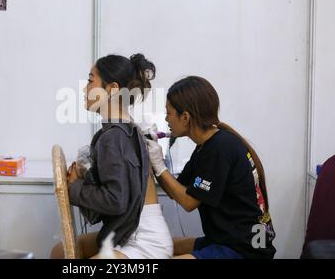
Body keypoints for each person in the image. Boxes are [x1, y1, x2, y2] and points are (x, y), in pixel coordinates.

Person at [50, 54, 173, 259]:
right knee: (59, 253)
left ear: (112, 88)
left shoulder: (114, 136)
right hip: (128, 232)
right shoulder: (119, 130)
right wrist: (85, 176)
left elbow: (116, 201)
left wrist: (74, 188)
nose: (84, 89)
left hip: (142, 241)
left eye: (90, 81)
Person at [146, 76, 276, 259]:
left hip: (246, 248)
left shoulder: (218, 148)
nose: (166, 118)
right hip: (231, 239)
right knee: (159, 246)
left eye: (168, 113)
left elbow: (188, 202)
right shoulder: (206, 146)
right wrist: (155, 164)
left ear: (185, 117)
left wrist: (158, 165)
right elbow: (175, 191)